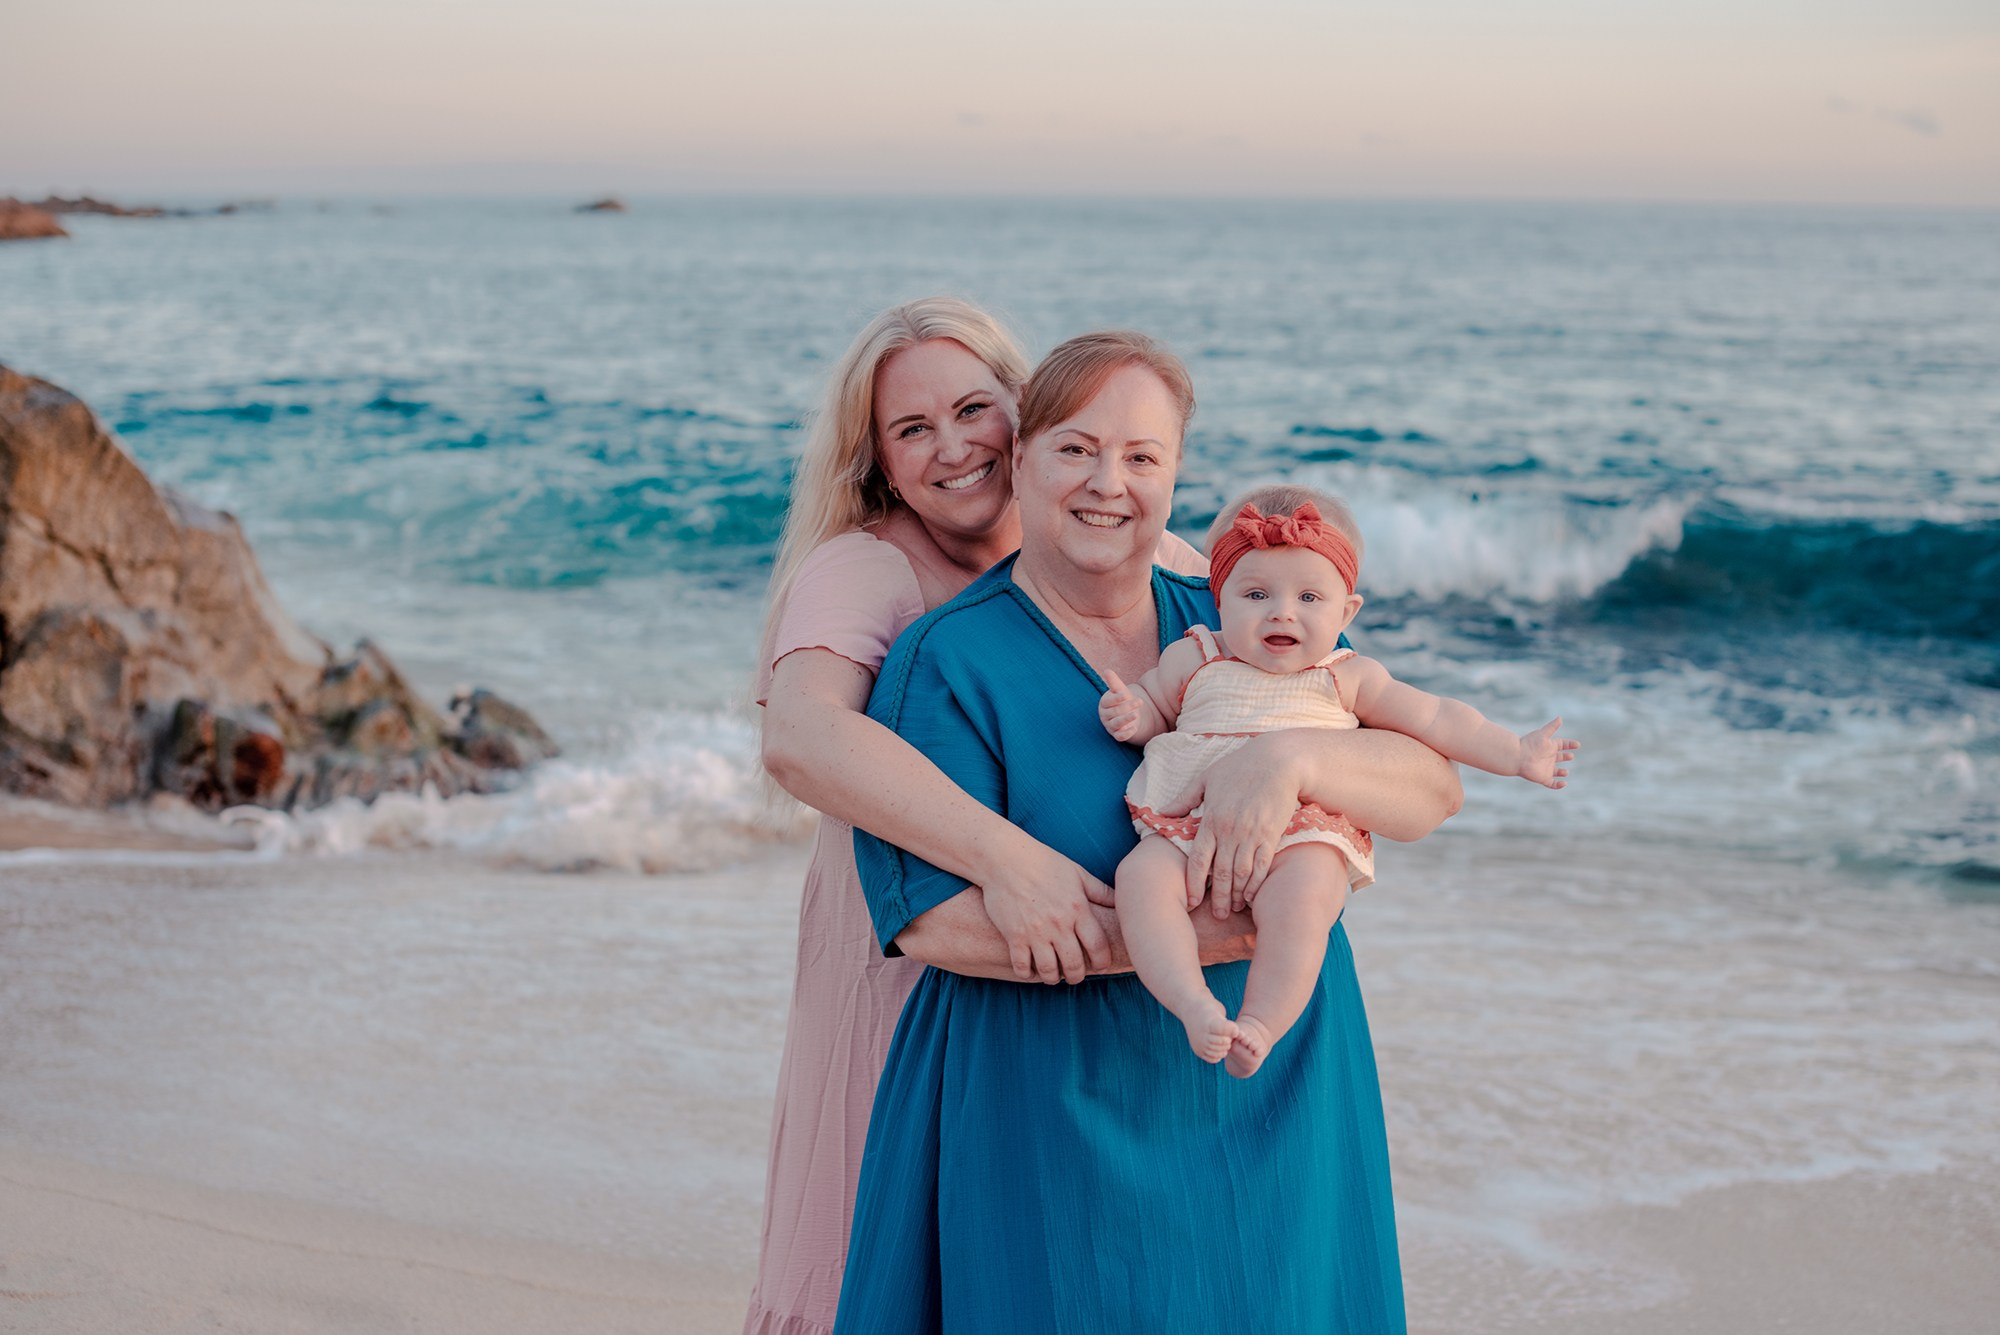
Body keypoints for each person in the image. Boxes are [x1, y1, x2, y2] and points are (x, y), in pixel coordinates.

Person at [838, 332, 1464, 1334]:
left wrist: (1290, 763)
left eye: (1141, 457)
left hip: (1276, 1088)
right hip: (1047, 1106)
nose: (1107, 484)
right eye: (1075, 450)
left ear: (1174, 473)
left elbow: (1429, 786)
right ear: (1021, 459)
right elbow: (932, 925)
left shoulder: (1246, 615)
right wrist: (1203, 937)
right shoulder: (943, 662)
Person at [747, 298, 1210, 1335]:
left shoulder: (1139, 549)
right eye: (911, 430)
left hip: (1073, 987)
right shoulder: (869, 568)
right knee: (886, 1248)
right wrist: (1007, 861)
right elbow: (799, 737)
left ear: (1027, 409)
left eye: (973, 408)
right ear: (876, 460)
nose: (952, 448)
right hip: (907, 955)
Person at [1101, 483, 1577, 1077]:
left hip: (1299, 831)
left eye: (1308, 596)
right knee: (1140, 880)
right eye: (1256, 593)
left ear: (1346, 611)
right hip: (1187, 825)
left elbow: (1435, 718)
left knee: (1305, 902)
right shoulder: (1195, 657)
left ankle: (1261, 1022)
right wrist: (1131, 716)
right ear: (1218, 599)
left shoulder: (1347, 676)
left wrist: (1515, 753)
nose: (1282, 611)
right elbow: (1152, 707)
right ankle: (1193, 1004)